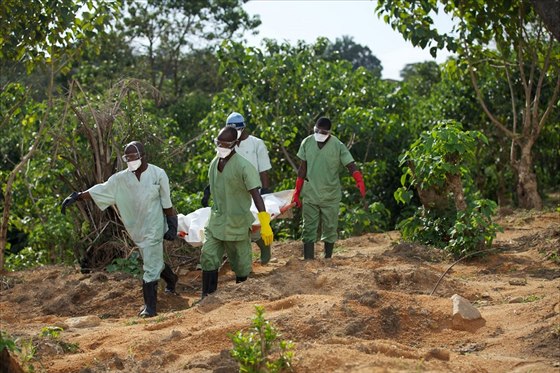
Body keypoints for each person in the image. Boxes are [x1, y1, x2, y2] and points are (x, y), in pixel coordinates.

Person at [61, 141, 179, 318]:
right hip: (136, 228)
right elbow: (100, 190)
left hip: (154, 226)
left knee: (150, 265)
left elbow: (167, 202)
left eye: (134, 157)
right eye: (127, 158)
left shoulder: (157, 174)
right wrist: (77, 196)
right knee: (152, 259)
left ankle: (150, 308)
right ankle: (171, 279)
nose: (130, 161)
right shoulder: (120, 179)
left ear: (143, 156)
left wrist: (172, 225)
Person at [200, 126, 274, 298]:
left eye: (225, 144)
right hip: (217, 221)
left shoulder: (244, 167)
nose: (221, 147)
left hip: (237, 223)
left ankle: (242, 299)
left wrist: (265, 223)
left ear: (234, 144)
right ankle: (207, 297)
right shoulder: (214, 163)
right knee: (208, 255)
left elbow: (256, 196)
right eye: (218, 143)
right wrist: (206, 194)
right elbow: (215, 184)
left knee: (241, 263)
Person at [291, 117, 366, 259]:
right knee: (308, 228)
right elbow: (302, 169)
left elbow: (350, 164)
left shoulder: (338, 145)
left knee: (330, 227)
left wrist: (359, 179)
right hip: (311, 192)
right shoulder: (307, 142)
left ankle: (328, 258)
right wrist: (297, 192)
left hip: (330, 194)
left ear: (329, 133)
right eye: (317, 131)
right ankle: (308, 259)